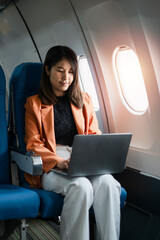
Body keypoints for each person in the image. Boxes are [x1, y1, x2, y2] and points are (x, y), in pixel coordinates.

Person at [24, 45, 121, 240]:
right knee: (81, 187)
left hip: (83, 159)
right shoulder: (34, 103)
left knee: (109, 183)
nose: (66, 77)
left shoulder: (84, 100)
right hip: (51, 165)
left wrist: (94, 157)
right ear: (47, 69)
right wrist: (58, 161)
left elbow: (94, 134)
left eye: (71, 72)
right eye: (60, 70)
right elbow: (33, 144)